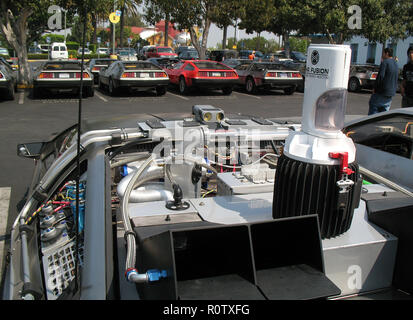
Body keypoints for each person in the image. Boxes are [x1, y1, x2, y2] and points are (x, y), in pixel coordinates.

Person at [368, 48, 399, 115]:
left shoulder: (385, 62)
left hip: (381, 92)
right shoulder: (396, 64)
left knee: (373, 108)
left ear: (387, 53)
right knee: (383, 114)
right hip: (390, 93)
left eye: (383, 53)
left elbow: (380, 77)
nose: (382, 55)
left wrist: (375, 89)